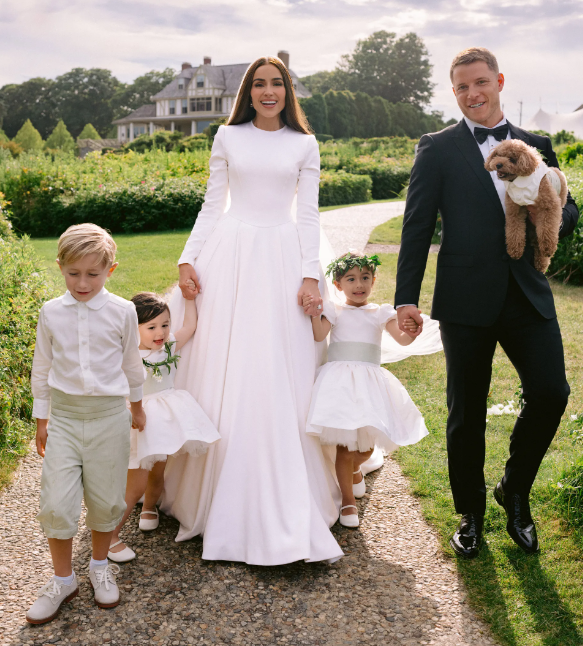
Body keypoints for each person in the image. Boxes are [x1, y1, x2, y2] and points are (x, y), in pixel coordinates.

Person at [395, 47, 579, 558]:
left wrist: (550, 214)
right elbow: (415, 227)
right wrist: (405, 299)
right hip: (464, 298)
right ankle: (469, 513)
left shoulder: (538, 143)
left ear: (498, 81)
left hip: (527, 294)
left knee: (551, 393)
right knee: (465, 410)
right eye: (461, 87)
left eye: (480, 83)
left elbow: (568, 206)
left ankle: (514, 491)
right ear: (453, 93)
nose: (472, 94)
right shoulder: (436, 148)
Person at [161, 56, 343, 565]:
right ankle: (215, 492)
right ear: (248, 91)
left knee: (277, 369)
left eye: (276, 83)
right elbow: (210, 204)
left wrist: (311, 274)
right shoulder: (227, 137)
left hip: (283, 257)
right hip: (230, 255)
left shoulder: (305, 145)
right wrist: (186, 258)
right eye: (259, 84)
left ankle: (288, 495)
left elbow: (307, 215)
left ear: (287, 91)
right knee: (225, 366)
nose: (268, 91)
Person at [26, 224, 146, 624]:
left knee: (106, 500)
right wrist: (42, 419)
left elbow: (132, 364)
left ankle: (98, 566)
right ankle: (63, 579)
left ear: (110, 270)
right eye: (74, 272)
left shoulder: (123, 312)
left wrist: (138, 406)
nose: (82, 282)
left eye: (93, 274)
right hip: (63, 418)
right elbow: (41, 368)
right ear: (60, 266)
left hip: (109, 418)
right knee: (56, 503)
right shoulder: (51, 313)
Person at [304, 253, 428, 528]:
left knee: (365, 446)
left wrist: (412, 332)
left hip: (369, 383)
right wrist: (315, 315)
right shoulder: (335, 310)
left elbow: (402, 340)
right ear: (338, 284)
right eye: (350, 279)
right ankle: (347, 500)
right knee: (344, 448)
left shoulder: (381, 312)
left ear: (373, 281)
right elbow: (318, 335)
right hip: (339, 383)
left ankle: (357, 468)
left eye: (365, 278)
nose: (358, 284)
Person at [108, 293, 220, 563]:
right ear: (133, 329)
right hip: (140, 419)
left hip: (166, 419)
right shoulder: (128, 355)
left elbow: (190, 326)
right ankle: (110, 534)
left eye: (165, 324)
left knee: (159, 469)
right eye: (151, 327)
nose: (160, 332)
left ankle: (150, 507)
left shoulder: (169, 347)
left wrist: (190, 299)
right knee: (134, 481)